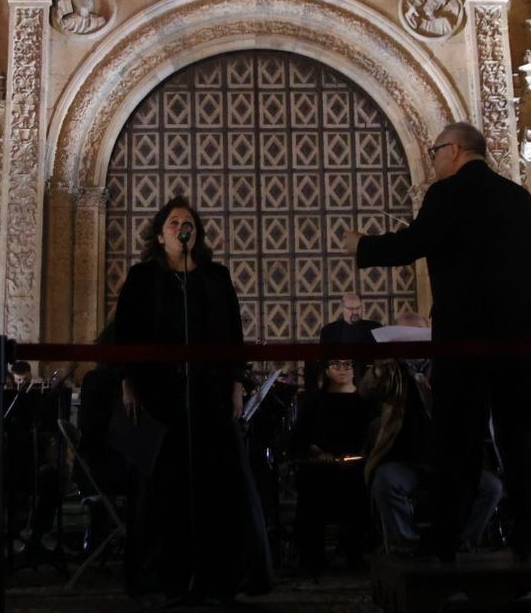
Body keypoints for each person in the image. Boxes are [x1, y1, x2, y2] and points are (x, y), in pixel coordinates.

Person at [343, 121, 531, 561]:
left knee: (460, 440)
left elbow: (413, 244)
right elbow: (530, 256)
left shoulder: (449, 193)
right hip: (522, 334)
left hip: (465, 338)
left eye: (435, 151)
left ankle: (446, 541)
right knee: (521, 440)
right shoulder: (518, 197)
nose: (433, 160)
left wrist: (363, 246)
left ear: (454, 150)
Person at [112, 196, 272, 600]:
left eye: (188, 222)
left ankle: (221, 576)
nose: (181, 225)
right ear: (160, 233)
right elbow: (126, 334)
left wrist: (236, 382)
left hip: (210, 393)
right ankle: (164, 576)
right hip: (160, 395)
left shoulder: (216, 277)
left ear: (195, 234)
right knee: (165, 486)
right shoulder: (142, 278)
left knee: (218, 482)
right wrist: (128, 381)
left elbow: (232, 333)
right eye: (173, 221)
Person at [362, 357, 502, 555]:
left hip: (446, 461)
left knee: (491, 487)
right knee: (385, 481)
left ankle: (463, 542)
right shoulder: (394, 370)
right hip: (405, 461)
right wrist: (383, 365)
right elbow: (367, 391)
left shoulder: (448, 367)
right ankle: (408, 543)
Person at [290, 359, 377, 573]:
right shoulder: (315, 402)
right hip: (321, 465)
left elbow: (375, 435)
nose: (342, 370)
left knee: (361, 486)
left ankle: (355, 554)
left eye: (348, 365)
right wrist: (317, 451)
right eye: (336, 365)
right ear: (327, 370)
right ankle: (312, 558)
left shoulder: (366, 402)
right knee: (311, 486)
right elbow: (300, 437)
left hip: (357, 466)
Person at [308, 292, 382, 394]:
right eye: (351, 309)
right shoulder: (329, 330)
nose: (355, 312)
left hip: (368, 380)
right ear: (342, 309)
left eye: (358, 308)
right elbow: (324, 360)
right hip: (339, 380)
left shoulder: (374, 328)